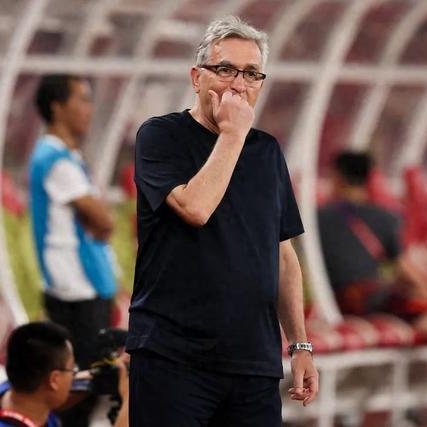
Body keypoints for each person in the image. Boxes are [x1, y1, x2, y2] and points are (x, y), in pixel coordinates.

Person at [127, 15, 318, 426]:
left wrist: (300, 344)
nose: (238, 84)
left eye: (251, 74)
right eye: (226, 69)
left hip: (252, 361)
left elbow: (283, 256)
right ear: (197, 78)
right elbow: (195, 209)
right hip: (173, 357)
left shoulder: (267, 152)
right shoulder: (160, 137)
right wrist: (232, 135)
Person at [318, 151, 427, 426]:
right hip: (372, 300)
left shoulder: (317, 217)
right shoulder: (384, 217)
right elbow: (404, 270)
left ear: (337, 177)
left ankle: (407, 405)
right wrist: (425, 291)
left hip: (340, 302)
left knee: (422, 325)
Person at [29, 74, 118, 426]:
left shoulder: (65, 157)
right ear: (57, 107)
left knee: (87, 382)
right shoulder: (56, 160)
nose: (89, 109)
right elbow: (103, 219)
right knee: (81, 383)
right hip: (76, 289)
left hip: (83, 285)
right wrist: (98, 221)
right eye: (81, 99)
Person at [0, 321, 128, 427]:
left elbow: (54, 393)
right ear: (54, 380)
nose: (75, 376)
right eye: (72, 369)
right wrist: (128, 401)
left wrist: (103, 377)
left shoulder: (7, 392)